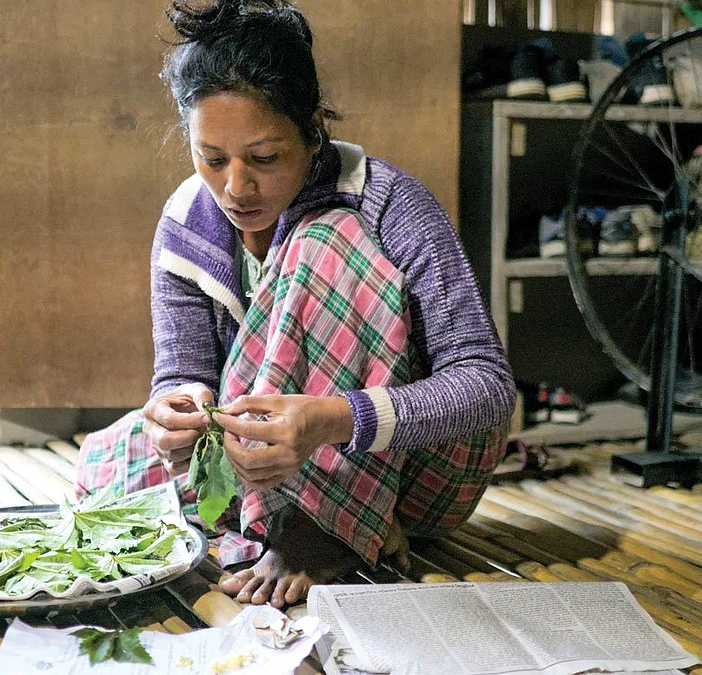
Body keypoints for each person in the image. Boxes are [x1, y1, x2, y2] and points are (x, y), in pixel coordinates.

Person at [77, 0, 515, 608]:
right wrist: (181, 410)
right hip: (269, 467)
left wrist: (333, 420)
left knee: (321, 240)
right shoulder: (186, 222)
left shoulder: (386, 205)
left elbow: (487, 389)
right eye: (211, 158)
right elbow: (183, 371)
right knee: (107, 467)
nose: (236, 186)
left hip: (411, 466)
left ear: (312, 128)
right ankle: (323, 524)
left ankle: (320, 533)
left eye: (264, 157)